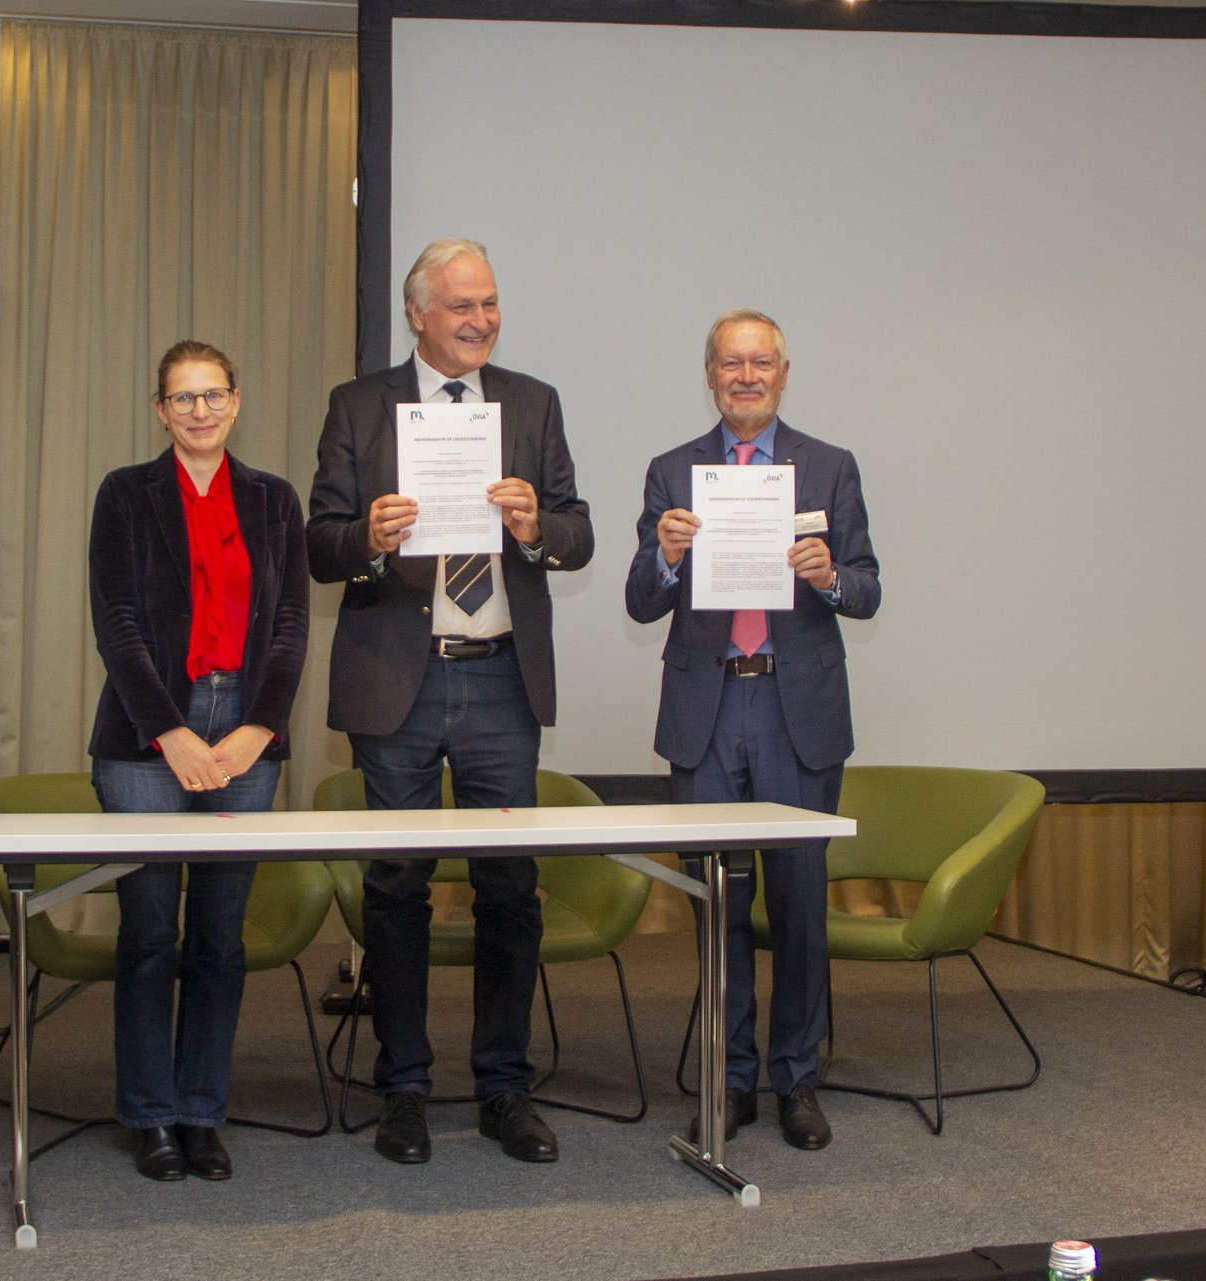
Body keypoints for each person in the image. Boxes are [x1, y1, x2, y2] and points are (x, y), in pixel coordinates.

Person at [307, 238, 593, 1165]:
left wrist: (533, 527)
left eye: (492, 303)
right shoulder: (359, 407)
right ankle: (404, 1089)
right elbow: (319, 544)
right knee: (396, 888)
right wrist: (372, 537)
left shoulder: (532, 402)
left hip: (501, 677)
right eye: (463, 306)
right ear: (417, 313)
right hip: (401, 676)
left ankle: (505, 1088)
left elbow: (578, 533)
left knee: (509, 888)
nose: (482, 321)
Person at [624, 309, 880, 1152]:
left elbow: (869, 589)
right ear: (709, 373)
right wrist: (664, 554)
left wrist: (830, 575)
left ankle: (797, 1078)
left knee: (800, 903)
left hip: (794, 707)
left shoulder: (829, 468)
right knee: (719, 906)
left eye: (760, 362)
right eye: (730, 362)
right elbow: (640, 598)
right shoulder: (673, 471)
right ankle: (731, 1080)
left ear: (783, 371)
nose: (745, 375)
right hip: (708, 707)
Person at [87, 340, 310, 1182]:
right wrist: (169, 733)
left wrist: (259, 726)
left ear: (237, 401)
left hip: (245, 734)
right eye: (183, 398)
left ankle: (201, 1109)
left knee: (218, 936)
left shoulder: (273, 500)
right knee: (149, 932)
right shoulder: (124, 495)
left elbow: (290, 626)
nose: (200, 410)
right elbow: (118, 624)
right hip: (151, 736)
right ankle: (149, 1114)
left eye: (213, 394)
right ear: (160, 411)